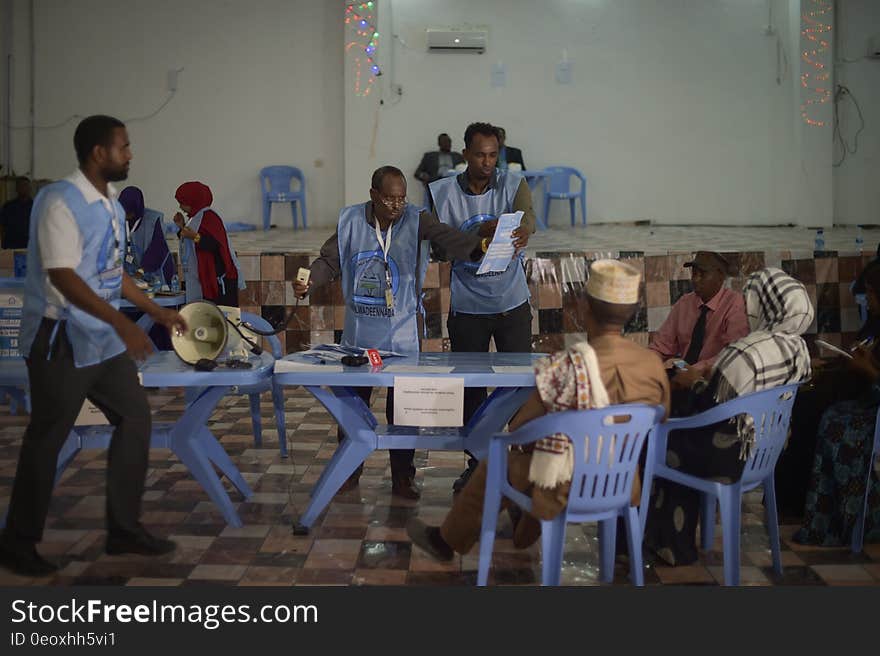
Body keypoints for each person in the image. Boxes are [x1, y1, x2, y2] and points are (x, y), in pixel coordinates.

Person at [0, 115, 188, 577]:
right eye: (124, 147)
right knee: (48, 437)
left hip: (100, 338)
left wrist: (157, 312)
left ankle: (123, 527)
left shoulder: (110, 203)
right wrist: (123, 327)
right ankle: (17, 542)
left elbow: (112, 273)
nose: (130, 154)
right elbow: (63, 276)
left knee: (135, 416)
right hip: (60, 337)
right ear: (99, 153)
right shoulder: (59, 202)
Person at [405, 259, 670, 560]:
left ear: (585, 308)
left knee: (502, 459)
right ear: (632, 312)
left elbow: (519, 426)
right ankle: (523, 525)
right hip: (623, 482)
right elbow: (660, 420)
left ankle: (447, 541)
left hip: (567, 485)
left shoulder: (565, 367)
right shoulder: (652, 366)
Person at [294, 165, 494, 500]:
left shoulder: (416, 218)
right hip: (360, 336)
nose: (397, 206)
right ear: (373, 196)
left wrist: (478, 247)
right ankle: (349, 470)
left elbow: (446, 236)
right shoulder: (350, 221)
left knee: (402, 410)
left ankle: (403, 477)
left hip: (402, 335)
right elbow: (329, 262)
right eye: (389, 199)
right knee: (352, 407)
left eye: (401, 198)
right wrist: (309, 281)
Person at [644, 267, 813, 566]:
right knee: (676, 434)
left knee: (657, 442)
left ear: (766, 305)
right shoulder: (799, 348)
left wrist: (690, 383)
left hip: (728, 456)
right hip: (765, 452)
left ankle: (667, 543)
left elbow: (710, 403)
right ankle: (668, 538)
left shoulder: (746, 351)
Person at [429, 122, 536, 493]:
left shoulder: (512, 184)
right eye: (479, 155)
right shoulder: (441, 192)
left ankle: (519, 470)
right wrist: (477, 238)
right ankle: (477, 468)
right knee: (471, 390)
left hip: (511, 303)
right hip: (468, 305)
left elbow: (528, 217)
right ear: (465, 155)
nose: (487, 162)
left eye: (493, 155)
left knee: (519, 388)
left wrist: (525, 230)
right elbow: (438, 247)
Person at [776, 260, 880, 517]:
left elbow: (872, 372)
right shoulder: (875, 322)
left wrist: (865, 367)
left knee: (816, 411)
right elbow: (860, 354)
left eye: (870, 292)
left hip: (871, 402)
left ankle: (799, 503)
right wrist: (836, 362)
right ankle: (790, 499)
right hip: (857, 389)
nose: (866, 299)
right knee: (801, 399)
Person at [649, 251, 749, 413]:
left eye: (702, 274)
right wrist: (643, 366)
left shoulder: (734, 304)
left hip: (710, 385)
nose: (695, 280)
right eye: (694, 274)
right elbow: (661, 346)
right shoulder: (685, 303)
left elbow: (732, 355)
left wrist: (693, 371)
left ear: (720, 276)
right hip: (681, 375)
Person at [173, 181, 243, 306]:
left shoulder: (209, 218)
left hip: (219, 281)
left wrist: (194, 236)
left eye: (182, 203)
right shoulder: (195, 218)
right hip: (206, 277)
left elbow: (215, 245)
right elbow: (190, 242)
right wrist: (182, 226)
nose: (180, 207)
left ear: (194, 201)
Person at [118, 186, 174, 285]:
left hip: (155, 273)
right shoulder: (119, 220)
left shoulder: (153, 220)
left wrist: (141, 272)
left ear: (137, 208)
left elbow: (157, 249)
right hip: (132, 277)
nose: (126, 216)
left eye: (129, 212)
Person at [0, 176, 33, 249]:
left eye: (26, 185)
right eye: (21, 185)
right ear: (16, 188)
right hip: (11, 246)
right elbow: (2, 227)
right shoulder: (8, 206)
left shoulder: (35, 206)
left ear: (30, 188)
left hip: (30, 246)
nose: (24, 188)